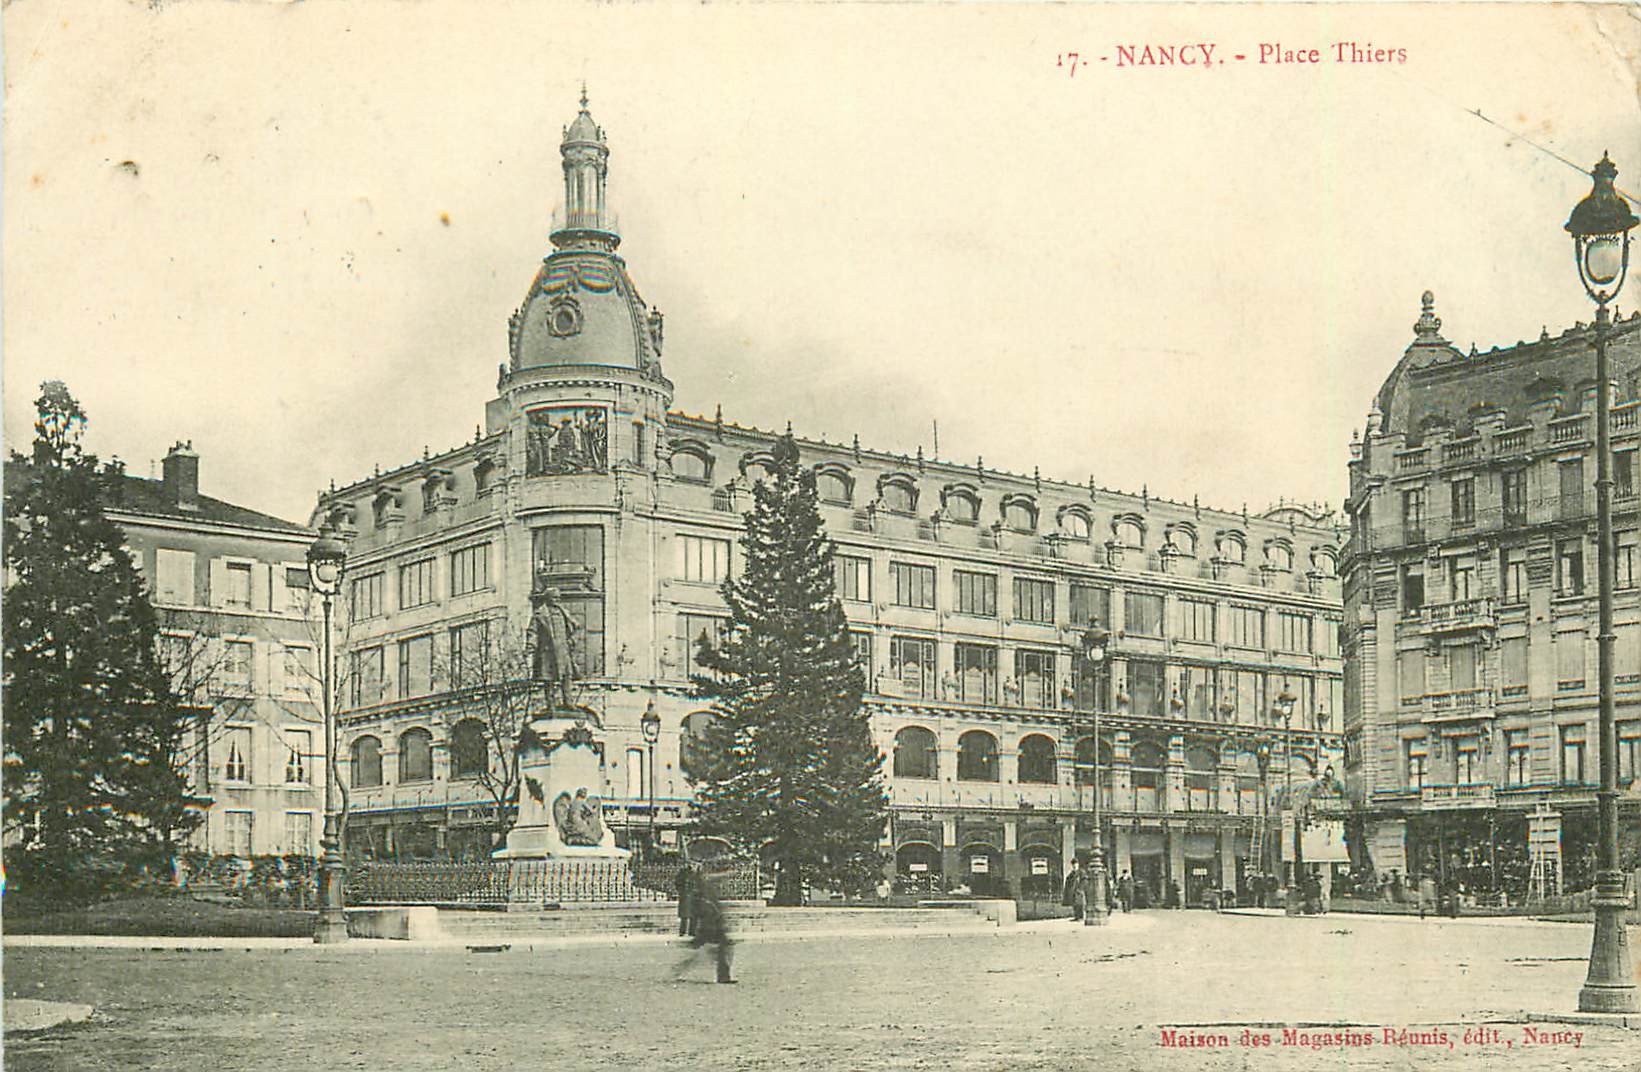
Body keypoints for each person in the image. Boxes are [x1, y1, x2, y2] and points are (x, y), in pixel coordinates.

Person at [674, 868, 735, 984]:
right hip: (710, 926)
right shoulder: (702, 891)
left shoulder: (705, 889)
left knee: (715, 950)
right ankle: (680, 971)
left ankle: (680, 971)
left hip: (713, 925)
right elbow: (706, 909)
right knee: (718, 950)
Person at [674, 862, 697, 937]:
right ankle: (682, 931)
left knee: (694, 915)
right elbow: (677, 883)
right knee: (684, 915)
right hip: (685, 896)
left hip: (694, 896)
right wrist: (681, 891)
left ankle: (692, 931)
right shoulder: (683, 873)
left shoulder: (696, 873)